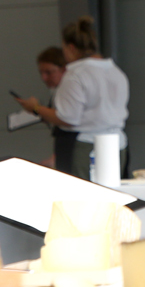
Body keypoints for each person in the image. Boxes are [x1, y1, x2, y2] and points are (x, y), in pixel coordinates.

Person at [15, 17, 130, 180]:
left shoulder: (76, 75)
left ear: (70, 48)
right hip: (118, 143)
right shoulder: (116, 72)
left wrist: (36, 108)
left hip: (85, 145)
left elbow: (67, 117)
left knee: (82, 197)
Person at [31, 46, 72, 172]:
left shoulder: (70, 91)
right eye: (41, 73)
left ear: (64, 69)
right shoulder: (56, 92)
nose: (44, 78)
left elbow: (66, 119)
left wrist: (36, 108)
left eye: (49, 72)